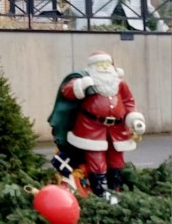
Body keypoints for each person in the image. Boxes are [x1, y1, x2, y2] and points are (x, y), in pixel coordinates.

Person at [49, 51, 146, 201]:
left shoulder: (120, 83)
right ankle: (101, 191)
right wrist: (80, 86)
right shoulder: (85, 79)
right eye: (100, 65)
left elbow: (128, 102)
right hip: (91, 127)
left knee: (117, 159)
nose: (104, 68)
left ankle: (115, 189)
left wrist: (134, 119)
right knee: (96, 158)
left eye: (107, 65)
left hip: (117, 128)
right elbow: (67, 91)